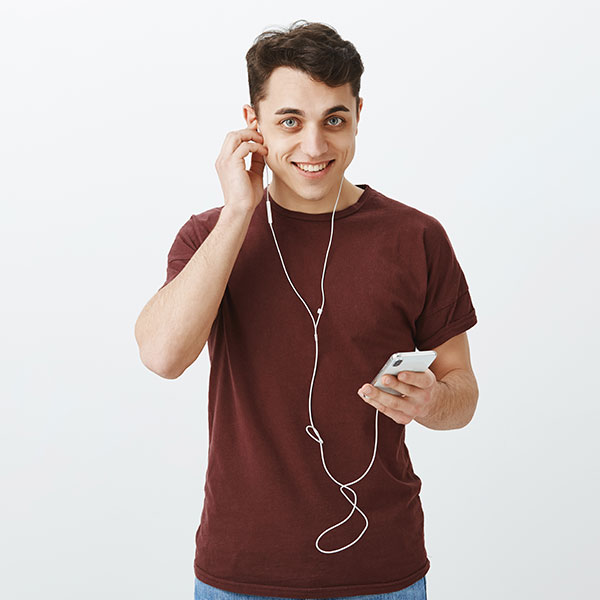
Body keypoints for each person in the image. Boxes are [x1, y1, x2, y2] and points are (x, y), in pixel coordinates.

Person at [134, 19, 479, 600]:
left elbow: (462, 394)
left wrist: (432, 400)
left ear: (358, 115)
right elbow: (163, 356)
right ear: (253, 124)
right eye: (290, 122)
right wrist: (238, 211)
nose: (315, 147)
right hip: (240, 573)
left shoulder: (416, 237)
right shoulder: (209, 236)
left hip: (382, 575)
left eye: (334, 120)